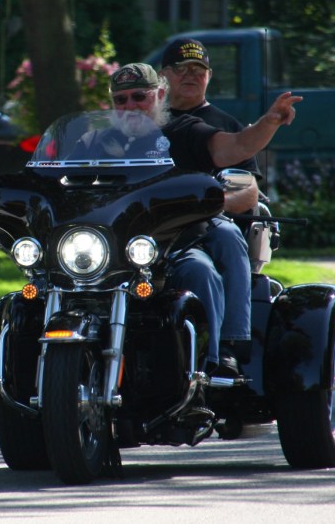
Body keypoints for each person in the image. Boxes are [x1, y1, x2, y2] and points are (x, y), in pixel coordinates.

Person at [107, 62, 300, 377]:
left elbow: (235, 147)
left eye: (139, 96)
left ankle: (220, 355)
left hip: (176, 243)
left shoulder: (183, 131)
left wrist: (269, 122)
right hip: (111, 250)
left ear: (158, 95)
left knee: (203, 266)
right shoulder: (97, 143)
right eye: (121, 99)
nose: (130, 106)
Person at [159, 39, 260, 374]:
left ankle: (230, 343)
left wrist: (211, 207)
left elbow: (248, 192)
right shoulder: (144, 121)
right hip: (152, 229)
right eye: (181, 69)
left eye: (198, 69)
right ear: (164, 76)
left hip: (207, 225)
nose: (190, 75)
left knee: (227, 238)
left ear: (209, 76)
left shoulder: (225, 125)